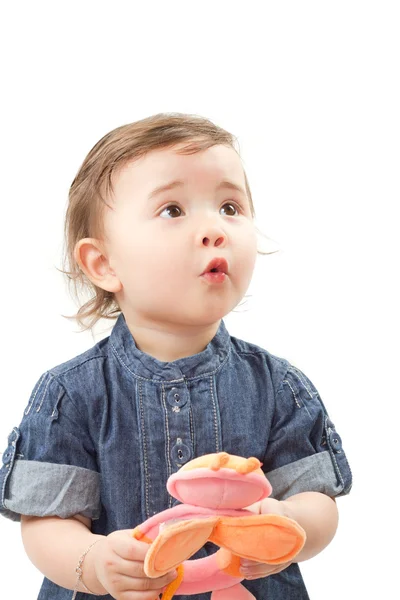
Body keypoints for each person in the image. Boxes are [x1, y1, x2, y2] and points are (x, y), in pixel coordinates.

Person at [0, 113, 352, 600]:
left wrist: (290, 525)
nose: (214, 229)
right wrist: (93, 563)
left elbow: (318, 500)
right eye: (172, 210)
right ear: (104, 264)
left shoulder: (278, 386)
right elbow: (47, 523)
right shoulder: (70, 393)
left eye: (230, 206)